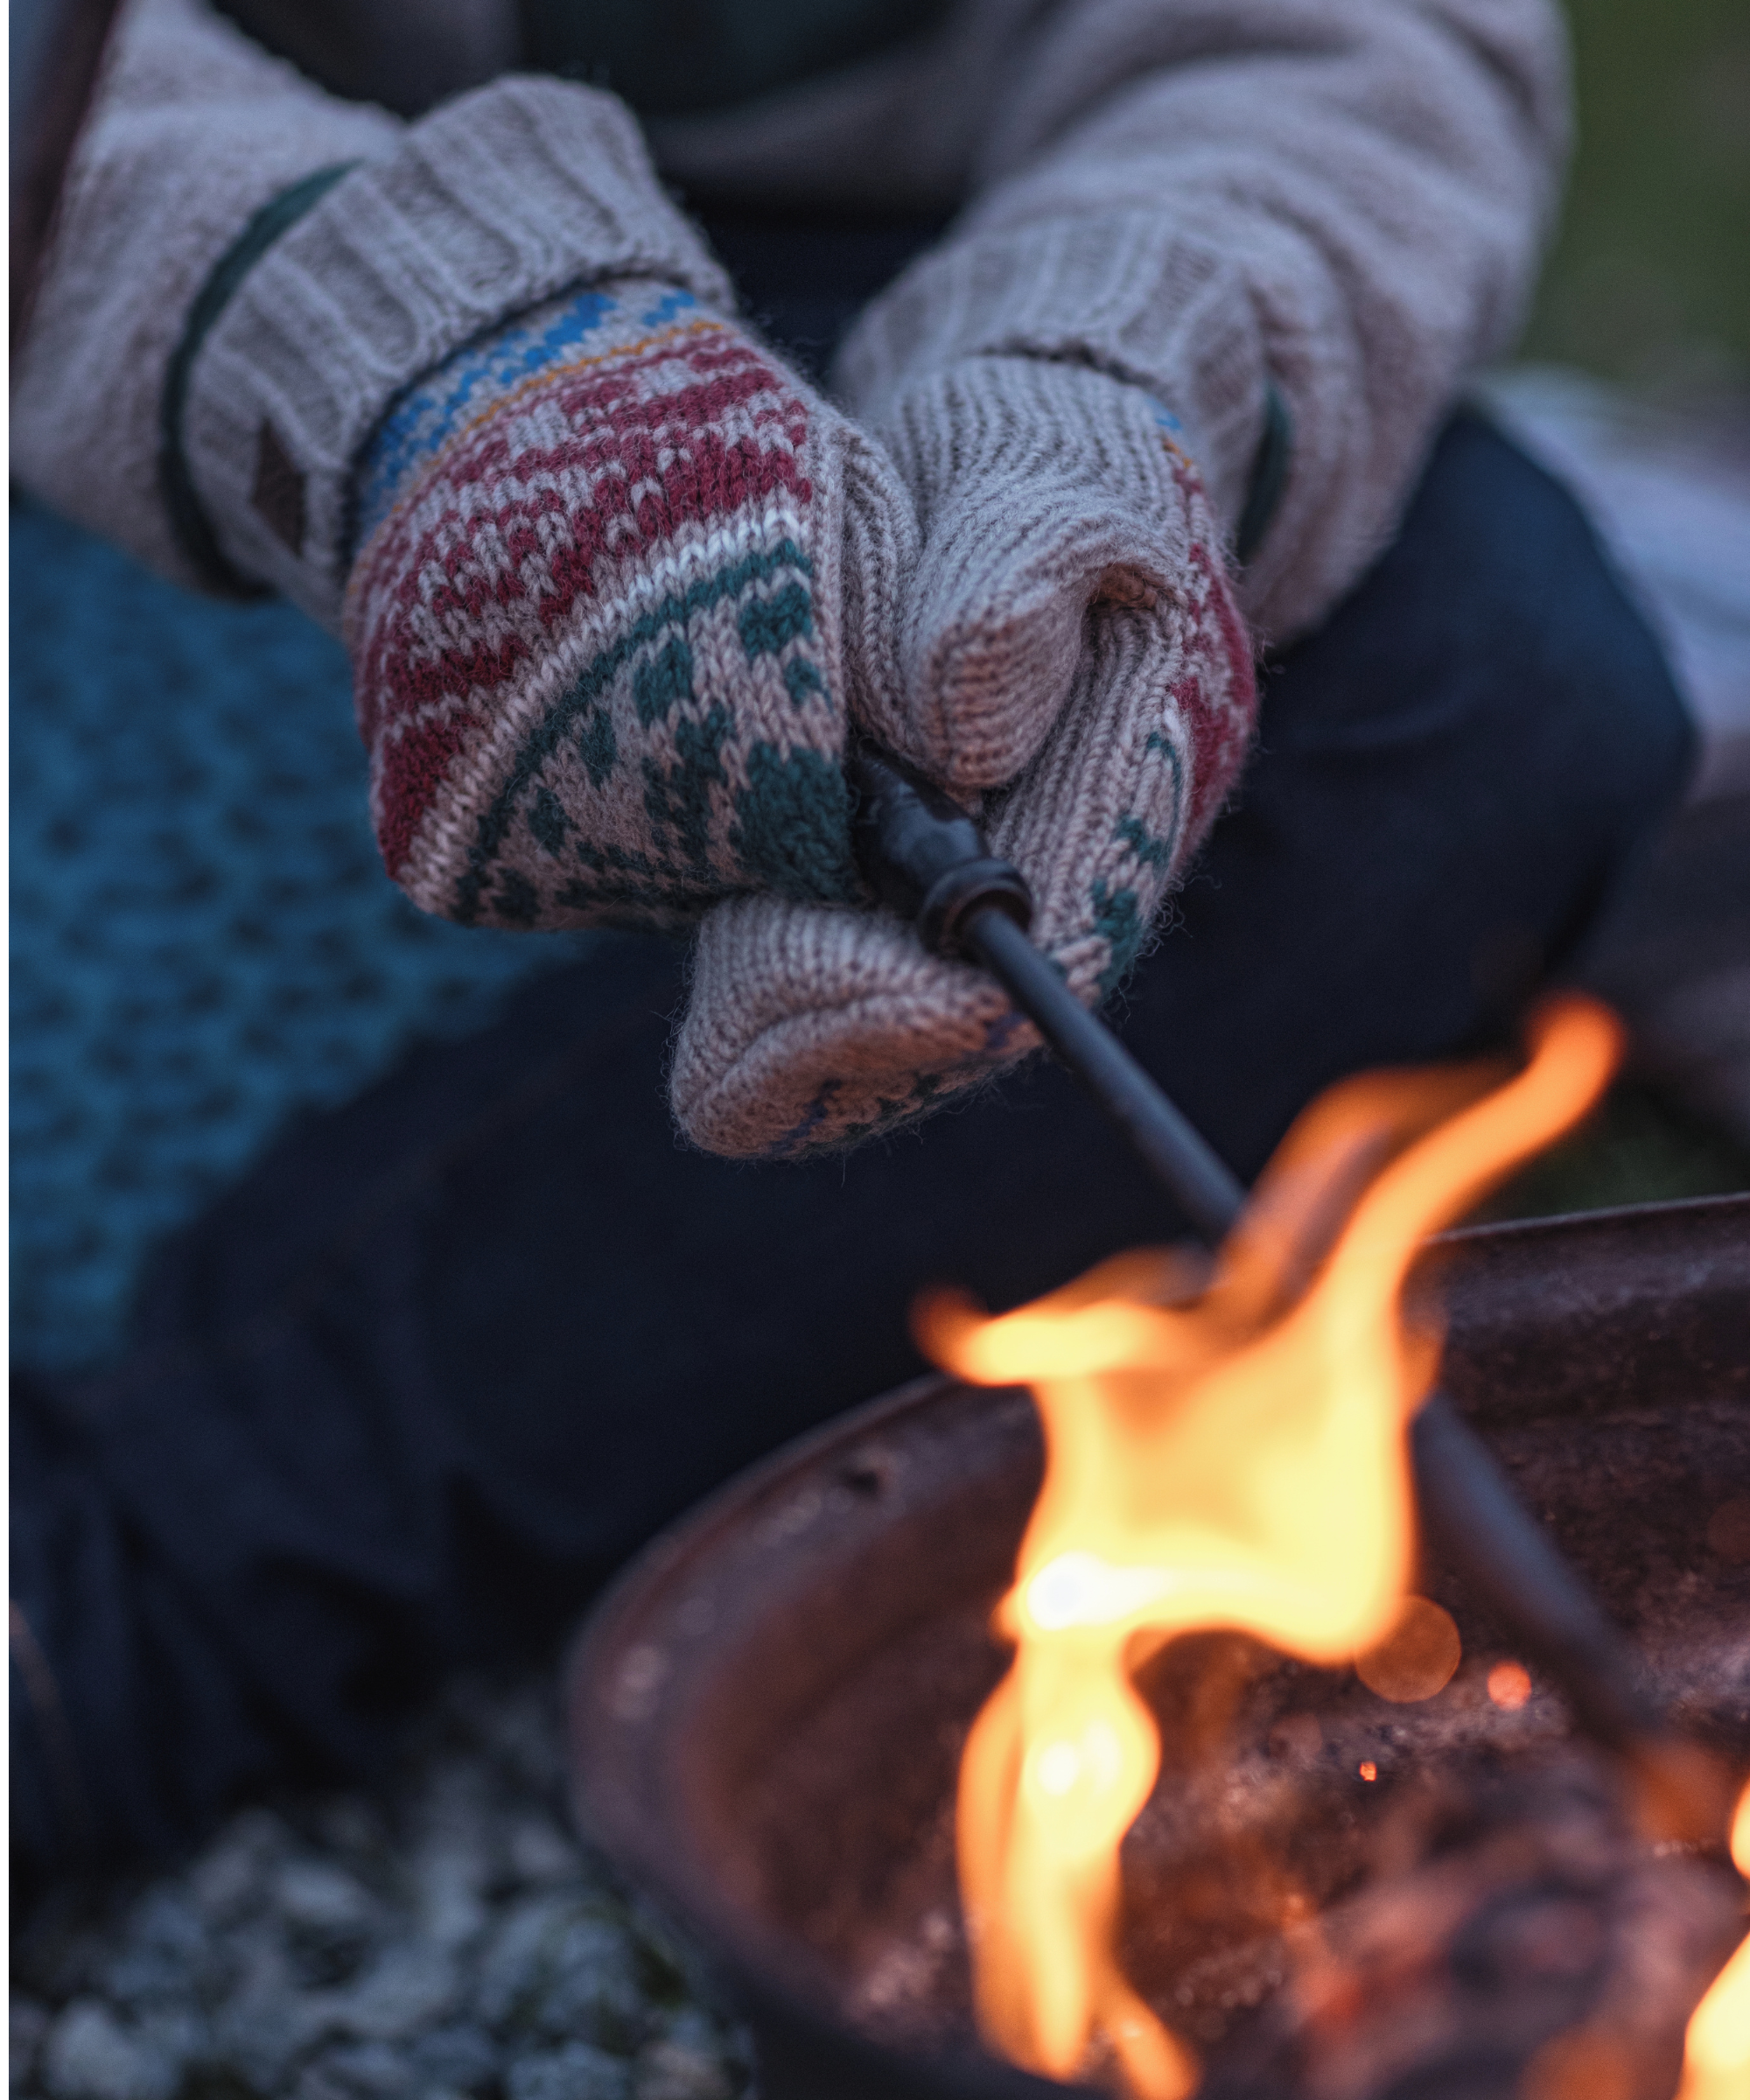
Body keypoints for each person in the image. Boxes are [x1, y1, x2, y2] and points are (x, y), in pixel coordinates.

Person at [10, 0, 1694, 1889]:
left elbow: (1345, 48)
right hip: (106, 319)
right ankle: (94, 1599)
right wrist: (349, 333)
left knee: (1491, 677)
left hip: (867, 300)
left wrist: (1111, 365)